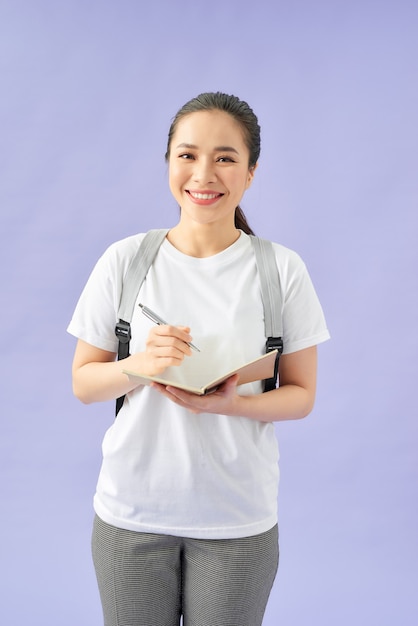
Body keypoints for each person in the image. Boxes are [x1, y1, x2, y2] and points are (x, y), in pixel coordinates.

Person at [68, 91, 330, 626]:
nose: (203, 173)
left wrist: (228, 406)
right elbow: (84, 383)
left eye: (226, 157)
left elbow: (301, 395)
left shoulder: (281, 270)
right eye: (187, 155)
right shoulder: (126, 260)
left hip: (237, 519)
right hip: (130, 514)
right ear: (168, 162)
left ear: (251, 172)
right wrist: (137, 364)